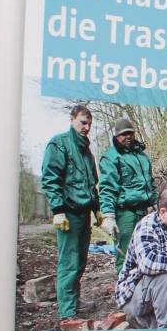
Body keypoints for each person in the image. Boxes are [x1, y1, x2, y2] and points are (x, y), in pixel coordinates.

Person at [40, 104, 101, 320]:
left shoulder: (86, 151)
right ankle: (67, 312)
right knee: (69, 261)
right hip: (68, 214)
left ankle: (73, 301)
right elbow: (50, 179)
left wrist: (97, 209)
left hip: (83, 213)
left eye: (90, 124)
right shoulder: (60, 144)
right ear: (72, 119)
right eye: (83, 122)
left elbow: (91, 184)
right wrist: (58, 210)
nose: (86, 127)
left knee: (81, 261)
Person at [115, 186, 167, 329]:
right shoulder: (147, 227)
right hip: (132, 296)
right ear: (162, 212)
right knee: (163, 278)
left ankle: (140, 321)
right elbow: (149, 263)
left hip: (148, 295)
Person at [99, 116, 158, 272]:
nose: (128, 137)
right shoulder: (111, 157)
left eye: (130, 133)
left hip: (143, 212)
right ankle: (123, 292)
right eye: (124, 134)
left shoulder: (142, 156)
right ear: (116, 136)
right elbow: (107, 187)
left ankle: (140, 291)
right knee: (125, 255)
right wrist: (108, 215)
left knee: (144, 251)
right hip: (125, 213)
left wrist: (156, 202)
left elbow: (149, 183)